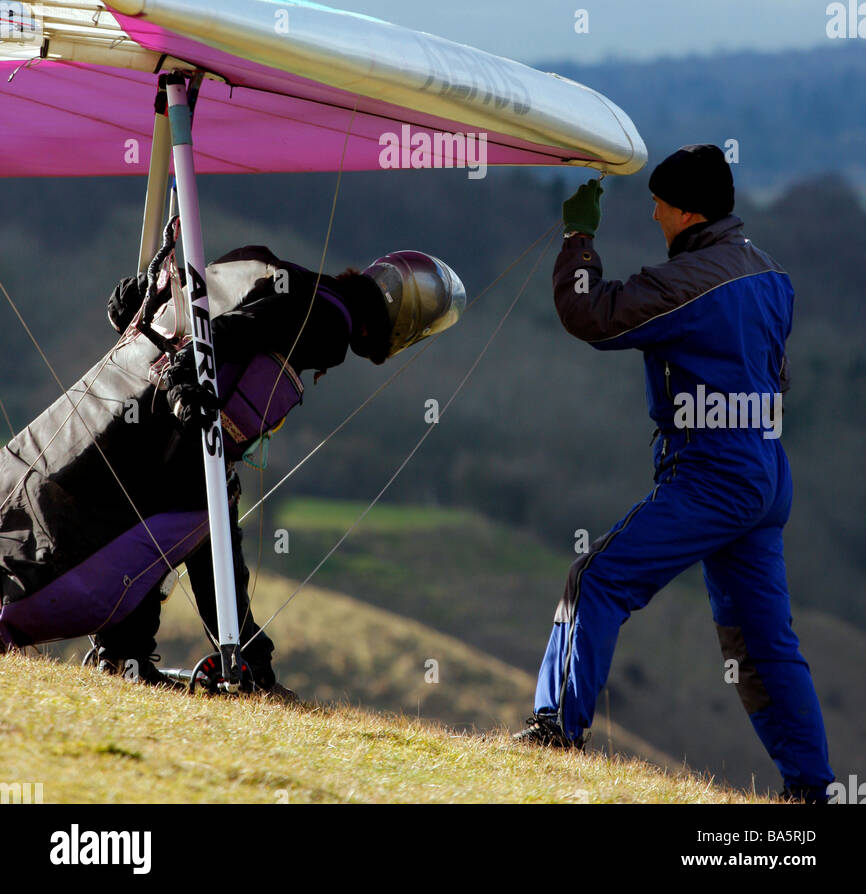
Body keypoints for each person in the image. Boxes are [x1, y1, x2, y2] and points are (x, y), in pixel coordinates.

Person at [515, 145, 834, 804]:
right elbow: (776, 374)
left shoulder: (686, 282)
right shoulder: (769, 273)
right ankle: (812, 790)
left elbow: (590, 314)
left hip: (715, 475)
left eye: (659, 200)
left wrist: (578, 237)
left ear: (687, 209)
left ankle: (555, 732)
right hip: (767, 473)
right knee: (762, 644)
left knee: (596, 578)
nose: (653, 210)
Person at [0, 245, 464, 696]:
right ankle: (229, 663)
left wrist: (148, 311)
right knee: (198, 522)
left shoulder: (294, 279)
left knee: (197, 515)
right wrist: (185, 379)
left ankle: (139, 655)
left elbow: (211, 313)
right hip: (167, 431)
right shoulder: (328, 320)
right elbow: (232, 329)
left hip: (134, 421)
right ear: (394, 327)